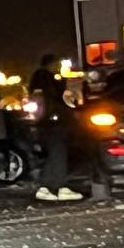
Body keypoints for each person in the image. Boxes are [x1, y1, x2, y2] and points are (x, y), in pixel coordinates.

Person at [29, 54, 83, 202]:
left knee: (56, 153)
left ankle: (55, 186)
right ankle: (51, 186)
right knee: (58, 153)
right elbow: (57, 98)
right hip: (53, 122)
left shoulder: (39, 79)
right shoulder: (46, 78)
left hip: (47, 122)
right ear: (50, 64)